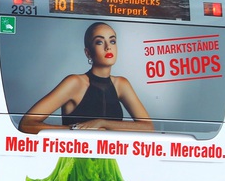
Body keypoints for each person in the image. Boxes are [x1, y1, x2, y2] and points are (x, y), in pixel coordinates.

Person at [18, 22, 153, 134]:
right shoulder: (75, 83)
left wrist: (102, 123)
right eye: (99, 42)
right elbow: (27, 124)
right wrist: (76, 130)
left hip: (110, 156)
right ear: (88, 52)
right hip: (75, 156)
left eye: (112, 41)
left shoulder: (121, 84)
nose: (108, 47)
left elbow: (148, 128)